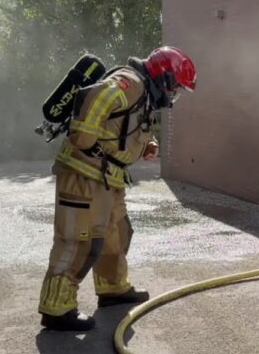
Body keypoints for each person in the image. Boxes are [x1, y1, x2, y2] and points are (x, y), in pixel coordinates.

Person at [38, 46, 197, 331]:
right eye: (176, 86)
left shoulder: (143, 92)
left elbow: (126, 125)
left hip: (108, 177)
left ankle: (113, 289)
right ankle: (56, 308)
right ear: (164, 77)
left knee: (117, 233)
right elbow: (99, 96)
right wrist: (84, 137)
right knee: (79, 240)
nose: (174, 94)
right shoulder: (129, 81)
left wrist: (147, 145)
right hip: (85, 173)